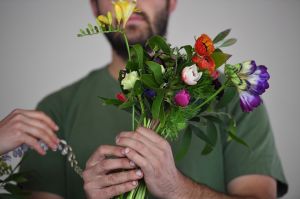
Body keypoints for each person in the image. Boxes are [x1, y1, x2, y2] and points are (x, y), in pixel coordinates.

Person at [19, 0, 288, 199]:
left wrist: (177, 189)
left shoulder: (229, 96)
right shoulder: (54, 112)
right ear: (94, 7)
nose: (129, 3)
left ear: (172, 2)